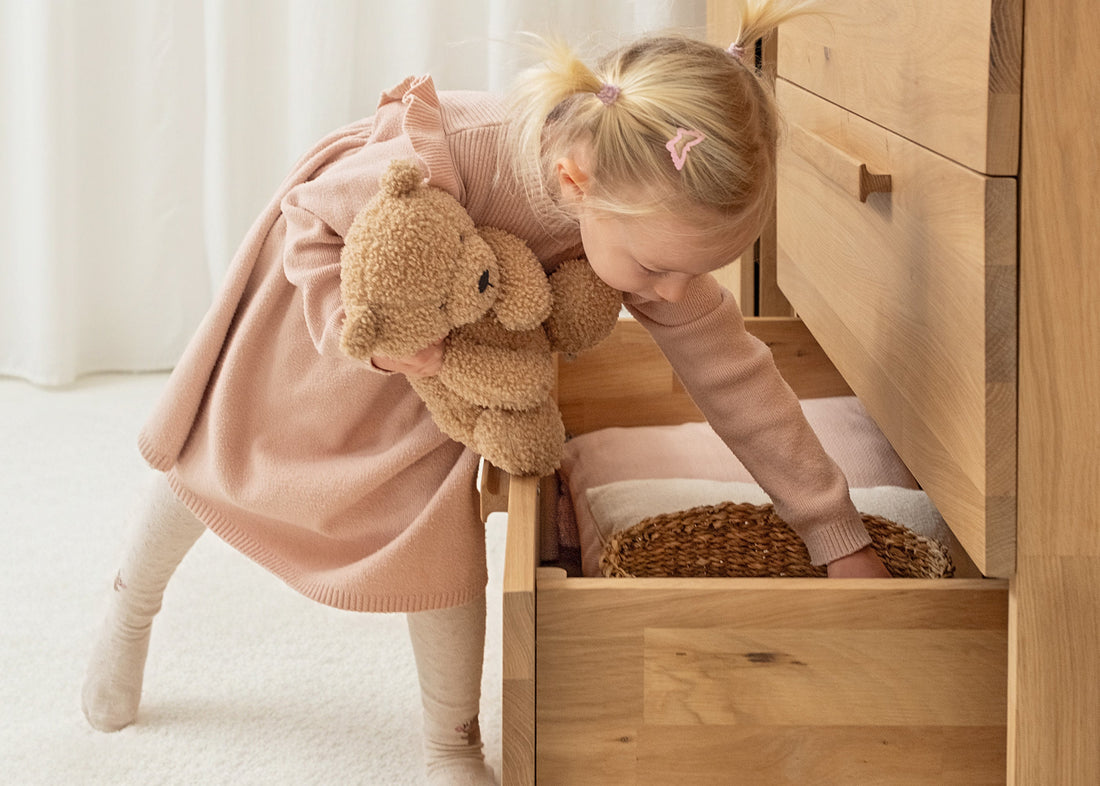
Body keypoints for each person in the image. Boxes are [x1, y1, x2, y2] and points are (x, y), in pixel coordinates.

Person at [83, 2, 888, 784]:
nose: (675, 295)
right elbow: (309, 220)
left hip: (456, 370)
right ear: (575, 182)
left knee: (435, 544)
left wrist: (833, 529)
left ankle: (451, 743)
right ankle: (131, 609)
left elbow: (734, 374)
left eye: (693, 272)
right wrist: (363, 338)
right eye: (656, 271)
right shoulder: (450, 152)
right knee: (218, 470)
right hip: (331, 318)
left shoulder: (637, 220)